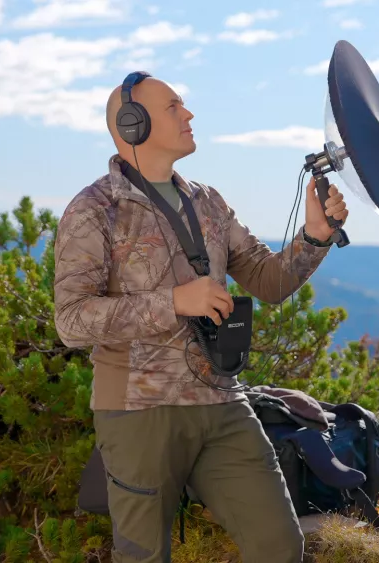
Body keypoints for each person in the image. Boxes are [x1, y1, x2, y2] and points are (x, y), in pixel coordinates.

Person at [52, 71, 348, 562]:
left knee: (279, 545)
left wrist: (313, 236)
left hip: (222, 402)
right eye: (174, 107)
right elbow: (73, 320)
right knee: (143, 556)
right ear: (133, 124)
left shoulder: (207, 201)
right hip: (137, 411)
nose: (188, 115)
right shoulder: (94, 209)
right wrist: (173, 301)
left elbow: (268, 281)